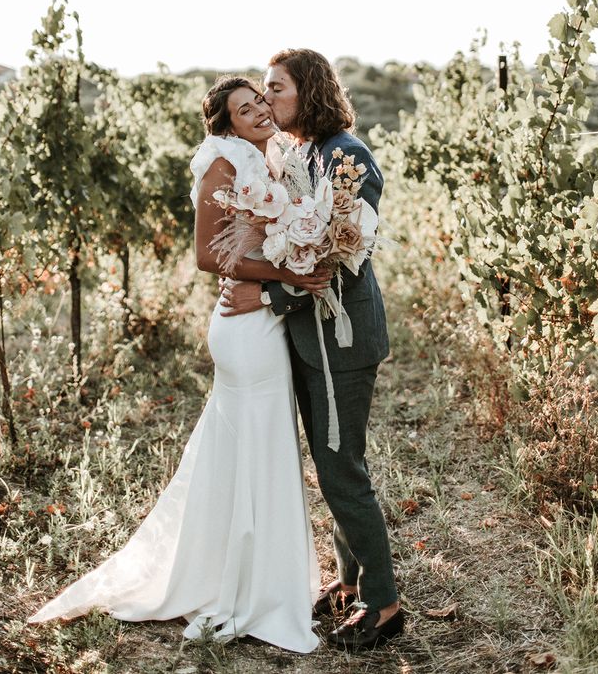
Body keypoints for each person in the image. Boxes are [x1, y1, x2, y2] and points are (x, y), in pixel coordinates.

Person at [27, 76, 330, 654]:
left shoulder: (277, 158)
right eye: (245, 109)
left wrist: (297, 261)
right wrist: (290, 276)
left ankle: (263, 575)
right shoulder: (222, 162)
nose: (260, 111)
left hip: (267, 317)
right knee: (254, 442)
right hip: (243, 329)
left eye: (261, 102)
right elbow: (207, 254)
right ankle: (244, 586)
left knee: (260, 445)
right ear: (226, 123)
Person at [220, 49, 403, 650]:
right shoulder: (301, 154)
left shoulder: (350, 158)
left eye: (277, 88)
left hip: (341, 340)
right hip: (310, 337)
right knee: (334, 465)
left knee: (341, 469)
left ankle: (384, 604)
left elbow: (344, 262)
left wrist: (270, 299)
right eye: (264, 89)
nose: (267, 99)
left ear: (310, 91)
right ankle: (350, 584)